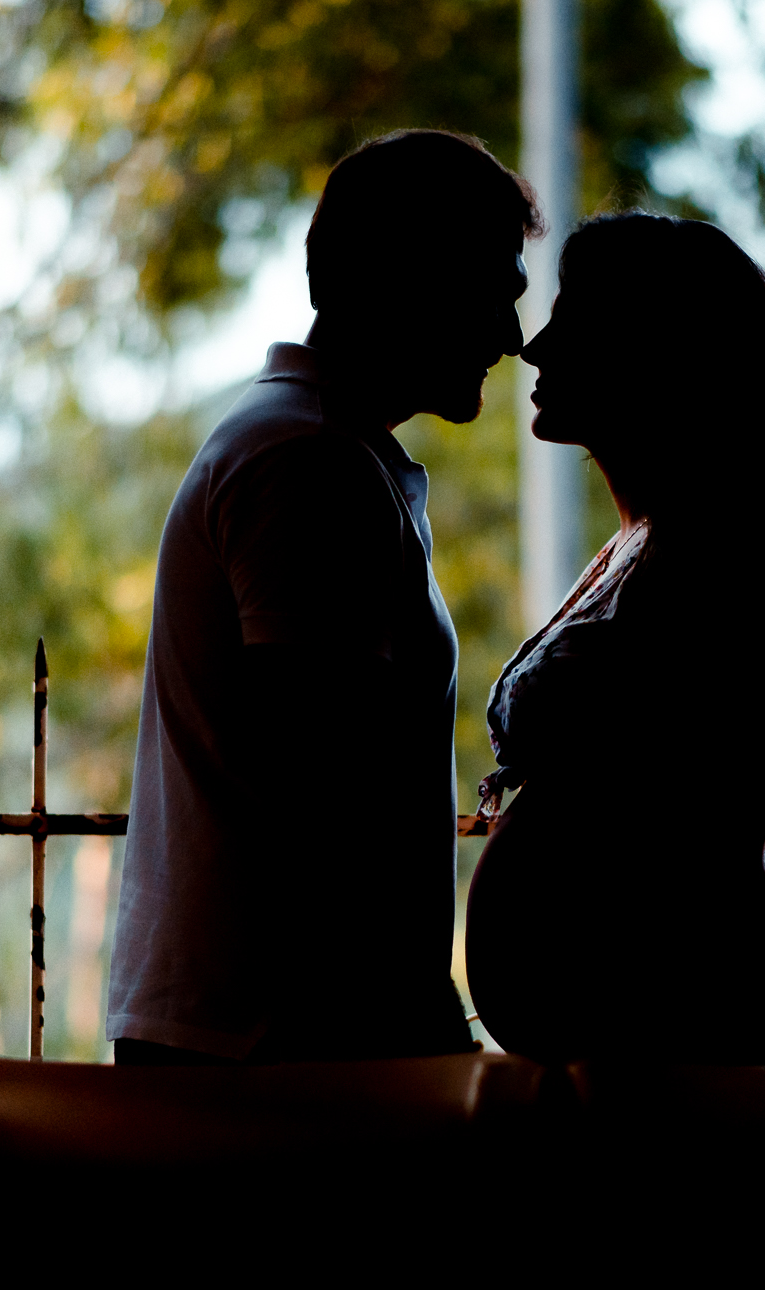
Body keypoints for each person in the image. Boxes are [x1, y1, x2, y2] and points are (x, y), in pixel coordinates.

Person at [107, 131, 540, 1065]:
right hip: (276, 1045)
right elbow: (323, 806)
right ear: (408, 280)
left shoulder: (311, 447)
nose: (512, 338)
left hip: (267, 1030)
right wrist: (428, 1033)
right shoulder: (309, 465)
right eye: (493, 291)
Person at [466, 212, 765, 1068]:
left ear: (652, 358)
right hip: (662, 1045)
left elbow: (685, 840)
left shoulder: (711, 570)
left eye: (572, 323)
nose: (536, 349)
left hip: (721, 1042)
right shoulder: (648, 547)